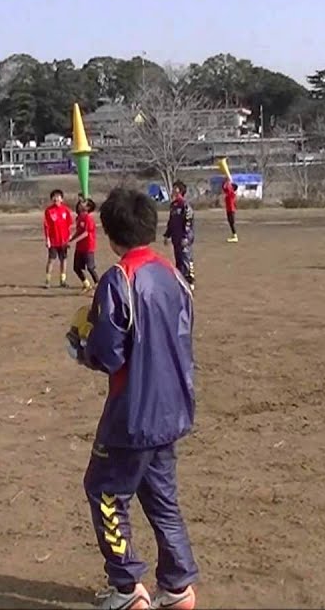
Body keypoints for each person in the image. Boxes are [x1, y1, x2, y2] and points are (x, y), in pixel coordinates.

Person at [70, 187, 199, 610]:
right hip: (171, 405)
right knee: (161, 497)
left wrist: (80, 345)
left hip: (132, 412)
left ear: (110, 235)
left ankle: (126, 588)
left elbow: (109, 355)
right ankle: (178, 586)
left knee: (104, 491)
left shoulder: (119, 279)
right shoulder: (173, 273)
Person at [162, 181, 196, 291]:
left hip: (184, 237)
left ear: (179, 190)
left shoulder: (185, 205)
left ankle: (190, 280)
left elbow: (188, 221)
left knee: (186, 258)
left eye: (175, 188)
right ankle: (181, 281)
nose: (172, 190)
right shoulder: (173, 206)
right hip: (176, 238)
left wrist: (186, 237)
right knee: (178, 260)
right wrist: (167, 235)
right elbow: (171, 222)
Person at [43, 189, 75, 288]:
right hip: (53, 241)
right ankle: (47, 280)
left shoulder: (66, 210)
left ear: (62, 199)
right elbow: (46, 226)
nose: (56, 199)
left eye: (58, 197)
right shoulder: (48, 211)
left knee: (63, 260)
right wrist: (47, 239)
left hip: (63, 241)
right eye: (54, 197)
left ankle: (63, 280)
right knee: (51, 260)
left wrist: (69, 237)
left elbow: (69, 224)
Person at [71, 198, 99, 294]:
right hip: (80, 247)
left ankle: (98, 284)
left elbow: (86, 233)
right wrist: (70, 240)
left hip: (88, 247)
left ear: (88, 207)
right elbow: (79, 231)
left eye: (84, 203)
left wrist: (74, 241)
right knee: (76, 267)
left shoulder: (88, 218)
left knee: (90, 267)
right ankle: (86, 284)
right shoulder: (79, 218)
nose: (80, 204)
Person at [221, 178, 239, 243]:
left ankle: (235, 236)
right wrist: (224, 181)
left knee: (232, 223)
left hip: (231, 210)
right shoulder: (229, 192)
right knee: (230, 223)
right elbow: (224, 188)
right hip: (228, 210)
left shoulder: (232, 193)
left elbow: (228, 188)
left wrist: (228, 181)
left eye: (232, 186)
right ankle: (234, 235)